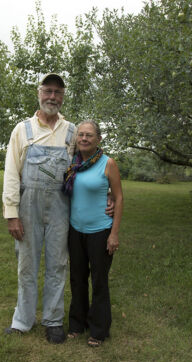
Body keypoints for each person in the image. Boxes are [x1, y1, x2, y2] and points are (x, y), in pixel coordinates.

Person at [2, 73, 74, 344]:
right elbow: (11, 173)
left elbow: (84, 168)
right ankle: (23, 320)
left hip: (60, 208)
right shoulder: (22, 130)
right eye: (48, 91)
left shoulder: (72, 131)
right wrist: (11, 214)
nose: (52, 96)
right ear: (39, 93)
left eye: (57, 92)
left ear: (63, 96)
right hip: (28, 208)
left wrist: (108, 195)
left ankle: (53, 320)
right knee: (26, 265)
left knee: (57, 265)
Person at [62, 120, 123, 347]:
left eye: (89, 135)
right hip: (75, 231)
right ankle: (77, 324)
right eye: (80, 135)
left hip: (100, 231)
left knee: (99, 281)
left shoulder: (108, 163)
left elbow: (118, 198)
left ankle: (98, 329)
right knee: (77, 279)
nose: (84, 138)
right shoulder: (73, 164)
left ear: (98, 139)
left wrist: (114, 234)